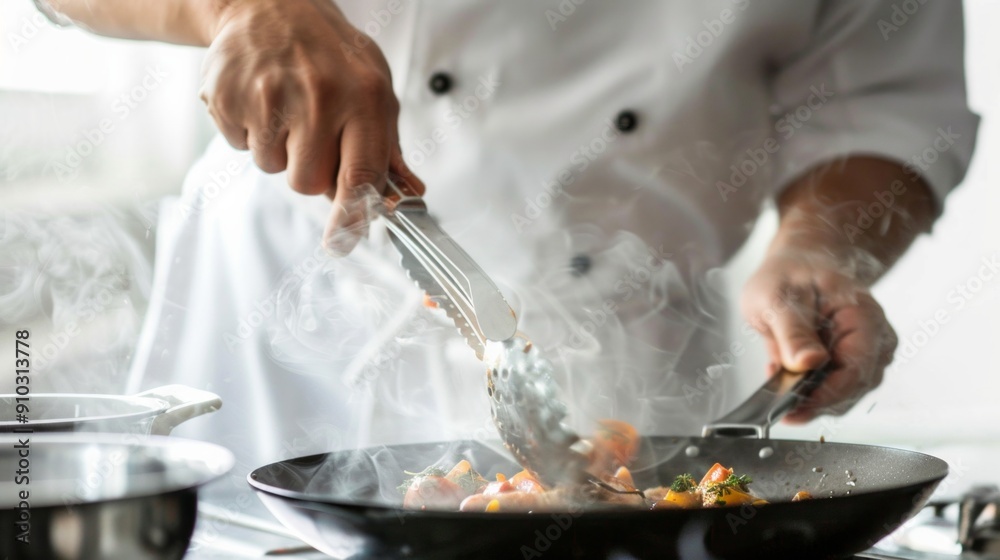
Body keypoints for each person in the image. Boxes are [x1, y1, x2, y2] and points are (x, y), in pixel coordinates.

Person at [36, 0, 977, 526]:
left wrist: (817, 247)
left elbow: (884, 103)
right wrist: (241, 8)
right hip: (279, 311)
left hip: (640, 353)